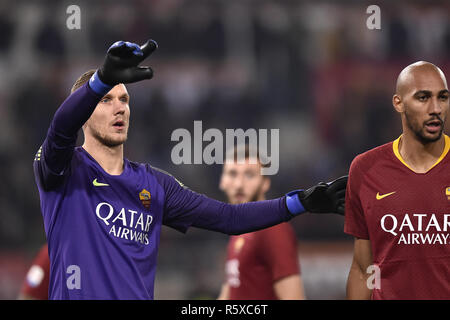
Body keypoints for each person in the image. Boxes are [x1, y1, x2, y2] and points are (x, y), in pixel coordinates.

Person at [33, 39, 347, 300]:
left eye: (124, 99)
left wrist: (299, 202)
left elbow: (228, 217)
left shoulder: (155, 184)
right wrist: (100, 78)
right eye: (105, 99)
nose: (119, 107)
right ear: (84, 113)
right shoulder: (62, 169)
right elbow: (60, 129)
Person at [345, 61, 450, 299]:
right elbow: (363, 269)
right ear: (398, 103)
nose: (436, 108)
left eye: (442, 97)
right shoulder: (365, 170)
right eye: (423, 98)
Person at [218, 145, 305, 300]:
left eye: (249, 175)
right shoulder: (238, 229)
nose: (239, 185)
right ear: (222, 182)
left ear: (265, 183)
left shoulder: (273, 228)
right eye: (232, 174)